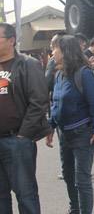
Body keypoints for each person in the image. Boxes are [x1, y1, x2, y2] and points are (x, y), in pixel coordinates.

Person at [47, 35, 94, 214]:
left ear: (65, 51)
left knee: (81, 179)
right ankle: (74, 209)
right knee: (68, 175)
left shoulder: (84, 73)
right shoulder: (59, 73)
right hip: (64, 133)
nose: (52, 52)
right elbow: (56, 102)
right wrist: (50, 126)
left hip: (83, 133)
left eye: (55, 49)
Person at [0, 23, 51, 214]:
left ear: (11, 40)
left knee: (25, 193)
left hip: (17, 140)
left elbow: (39, 101)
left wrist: (23, 135)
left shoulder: (27, 64)